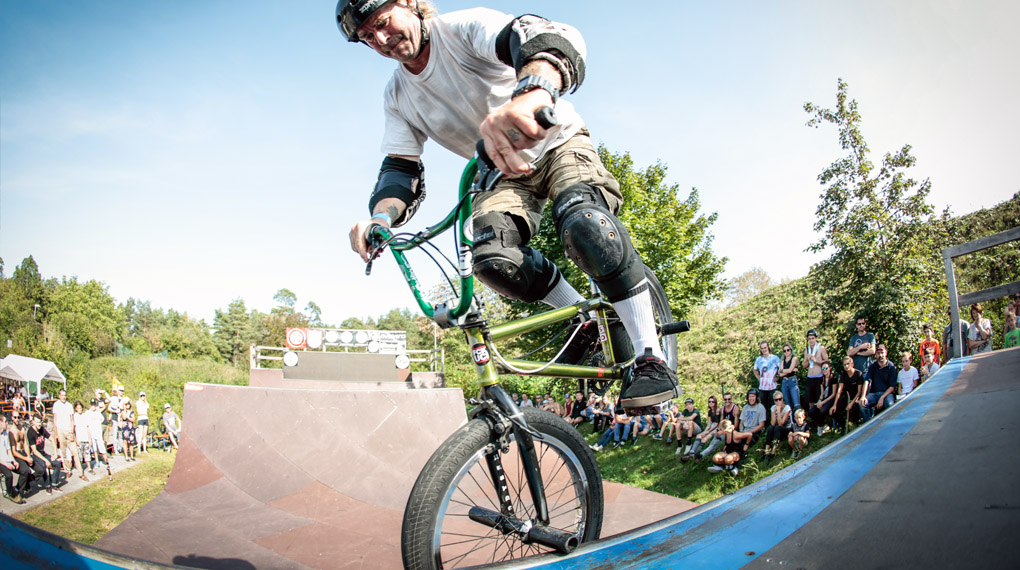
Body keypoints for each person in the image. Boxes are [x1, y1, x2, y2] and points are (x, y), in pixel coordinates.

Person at [340, 0, 679, 412]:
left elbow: (544, 40)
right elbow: (399, 169)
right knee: (492, 259)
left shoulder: (463, 28)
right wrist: (379, 219)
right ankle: (582, 318)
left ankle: (650, 357)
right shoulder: (397, 95)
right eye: (367, 37)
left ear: (410, 4)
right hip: (500, 174)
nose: (381, 39)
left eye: (383, 22)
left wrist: (532, 94)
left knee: (586, 226)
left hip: (556, 144)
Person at [27, 414, 63, 494]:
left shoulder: (42, 429)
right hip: (35, 455)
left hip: (43, 454)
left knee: (57, 464)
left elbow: (52, 440)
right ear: (33, 422)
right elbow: (34, 450)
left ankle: (54, 484)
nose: (39, 424)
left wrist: (54, 454)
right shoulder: (30, 432)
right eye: (37, 422)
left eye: (40, 422)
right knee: (43, 465)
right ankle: (47, 486)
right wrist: (46, 461)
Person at [0, 414, 30, 504]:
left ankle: (16, 490)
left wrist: (13, 460)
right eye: (5, 422)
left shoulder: (5, 433)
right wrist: (6, 464)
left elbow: (9, 450)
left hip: (7, 460)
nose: (7, 423)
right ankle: (11, 494)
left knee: (25, 470)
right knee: (9, 475)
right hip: (1, 462)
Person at [51, 388, 80, 477]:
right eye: (62, 395)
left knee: (75, 452)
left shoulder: (69, 405)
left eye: (64, 395)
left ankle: (80, 472)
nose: (63, 397)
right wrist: (55, 433)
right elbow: (55, 420)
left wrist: (72, 432)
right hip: (60, 430)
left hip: (68, 430)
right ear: (59, 396)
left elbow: (72, 420)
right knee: (63, 452)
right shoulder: (56, 405)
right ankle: (68, 470)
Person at [683, 395, 720, 462]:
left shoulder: (717, 410)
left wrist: (708, 432)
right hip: (711, 426)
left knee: (704, 439)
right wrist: (705, 431)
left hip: (716, 427)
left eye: (713, 401)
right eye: (709, 401)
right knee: (699, 435)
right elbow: (708, 424)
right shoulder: (709, 411)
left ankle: (696, 454)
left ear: (715, 402)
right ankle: (691, 452)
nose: (711, 403)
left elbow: (716, 424)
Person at [864, 344, 897, 417]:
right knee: (862, 404)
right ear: (876, 354)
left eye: (882, 353)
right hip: (874, 394)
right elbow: (867, 380)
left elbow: (892, 387)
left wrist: (882, 398)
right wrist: (863, 396)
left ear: (886, 353)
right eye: (878, 353)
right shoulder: (872, 366)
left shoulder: (891, 366)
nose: (880, 355)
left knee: (890, 405)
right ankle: (869, 424)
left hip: (887, 394)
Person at [808, 363, 841, 436]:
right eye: (823, 369)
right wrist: (820, 401)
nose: (824, 370)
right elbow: (822, 394)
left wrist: (823, 403)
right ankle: (822, 425)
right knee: (811, 412)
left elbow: (833, 394)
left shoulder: (833, 378)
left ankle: (821, 426)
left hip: (831, 399)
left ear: (829, 368)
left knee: (822, 411)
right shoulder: (821, 379)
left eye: (826, 368)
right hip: (824, 399)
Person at [84, 399, 113, 481]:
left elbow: (102, 419)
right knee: (95, 449)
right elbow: (86, 424)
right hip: (92, 434)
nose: (93, 406)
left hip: (98, 433)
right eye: (92, 405)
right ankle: (96, 462)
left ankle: (107, 463)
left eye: (95, 405)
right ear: (90, 405)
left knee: (102, 449)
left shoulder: (97, 413)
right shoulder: (87, 413)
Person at [801, 329, 829, 412]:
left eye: (813, 338)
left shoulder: (821, 348)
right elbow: (803, 365)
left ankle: (820, 421)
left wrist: (816, 360)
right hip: (810, 377)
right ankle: (813, 420)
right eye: (809, 339)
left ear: (816, 338)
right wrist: (808, 360)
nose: (811, 340)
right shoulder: (807, 350)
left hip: (819, 376)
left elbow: (826, 361)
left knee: (818, 399)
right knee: (810, 401)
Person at [762, 390, 792, 463]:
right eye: (776, 400)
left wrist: (778, 412)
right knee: (770, 428)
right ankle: (766, 451)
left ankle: (774, 451)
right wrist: (774, 412)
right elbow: (772, 423)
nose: (778, 401)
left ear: (782, 399)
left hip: (787, 429)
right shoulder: (773, 408)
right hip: (777, 429)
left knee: (777, 427)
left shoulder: (787, 408)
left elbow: (781, 423)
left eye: (780, 399)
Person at [752, 342, 780, 420]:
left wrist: (777, 378)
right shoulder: (759, 359)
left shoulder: (775, 358)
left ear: (768, 347)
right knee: (764, 406)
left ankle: (775, 421)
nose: (764, 349)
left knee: (774, 405)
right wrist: (759, 378)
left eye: (765, 347)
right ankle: (765, 423)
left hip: (772, 386)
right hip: (763, 387)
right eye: (762, 348)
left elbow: (781, 369)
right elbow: (755, 370)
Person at [847, 316, 877, 381]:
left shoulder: (870, 336)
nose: (861, 325)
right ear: (856, 325)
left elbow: (872, 351)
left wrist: (857, 352)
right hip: (856, 370)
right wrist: (861, 347)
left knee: (867, 390)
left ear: (865, 324)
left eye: (863, 323)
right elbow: (849, 353)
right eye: (859, 324)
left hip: (867, 370)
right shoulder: (854, 338)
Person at [71, 401, 91, 481]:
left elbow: (87, 427)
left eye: (80, 408)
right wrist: (76, 439)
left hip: (85, 437)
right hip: (79, 438)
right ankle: (80, 469)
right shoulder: (75, 416)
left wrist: (89, 438)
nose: (79, 409)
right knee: (79, 455)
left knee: (87, 453)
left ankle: (89, 468)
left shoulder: (84, 416)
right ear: (75, 409)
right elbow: (74, 429)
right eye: (78, 408)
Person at [778, 343, 801, 411]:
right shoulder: (782, 361)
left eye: (788, 350)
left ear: (791, 350)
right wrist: (790, 370)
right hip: (784, 382)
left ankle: (799, 420)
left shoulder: (794, 359)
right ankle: (791, 421)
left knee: (796, 404)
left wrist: (783, 371)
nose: (786, 352)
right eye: (784, 351)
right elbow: (780, 374)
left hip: (792, 381)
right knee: (788, 405)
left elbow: (789, 370)